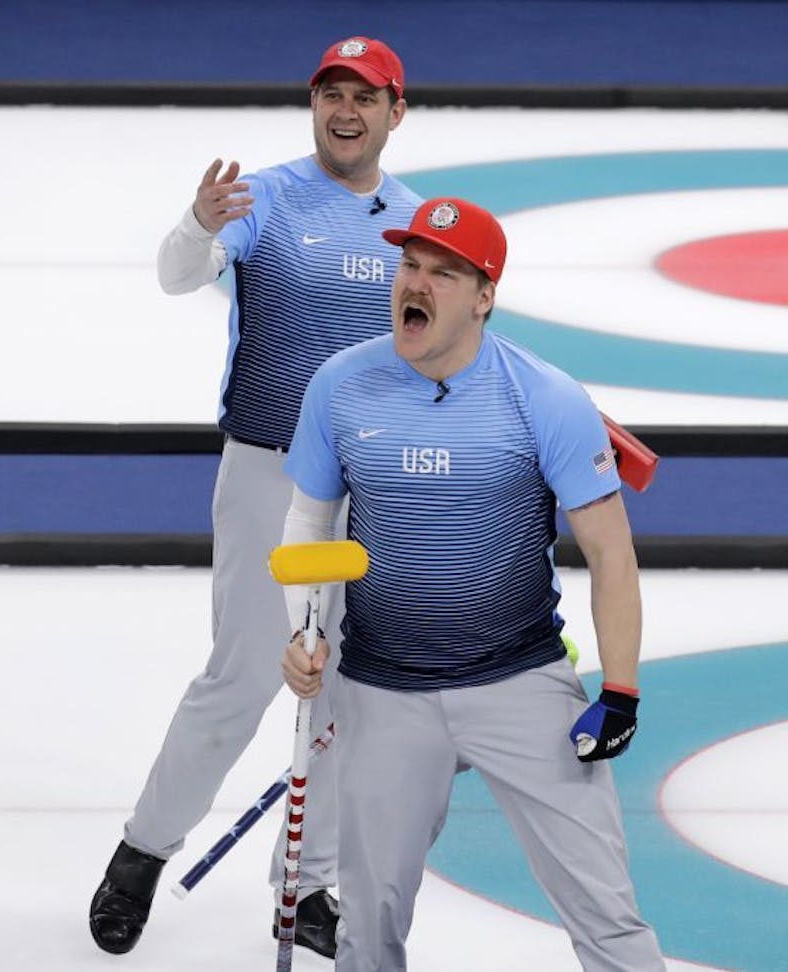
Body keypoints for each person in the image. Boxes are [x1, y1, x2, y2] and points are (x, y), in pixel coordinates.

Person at [89, 36, 420, 958]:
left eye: (365, 96)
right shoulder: (265, 197)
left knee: (349, 693)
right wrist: (198, 224)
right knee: (240, 677)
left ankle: (307, 888)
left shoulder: (416, 223)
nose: (344, 111)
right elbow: (175, 274)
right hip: (268, 470)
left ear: (398, 112)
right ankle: (141, 853)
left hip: (370, 489)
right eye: (330, 94)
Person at [279, 197, 665, 971]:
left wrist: (619, 689)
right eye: (410, 264)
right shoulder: (340, 386)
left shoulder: (544, 397)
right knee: (367, 929)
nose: (415, 284)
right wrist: (303, 634)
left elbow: (610, 553)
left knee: (607, 915)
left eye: (443, 273)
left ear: (485, 295)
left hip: (519, 682)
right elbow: (308, 525)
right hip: (383, 689)